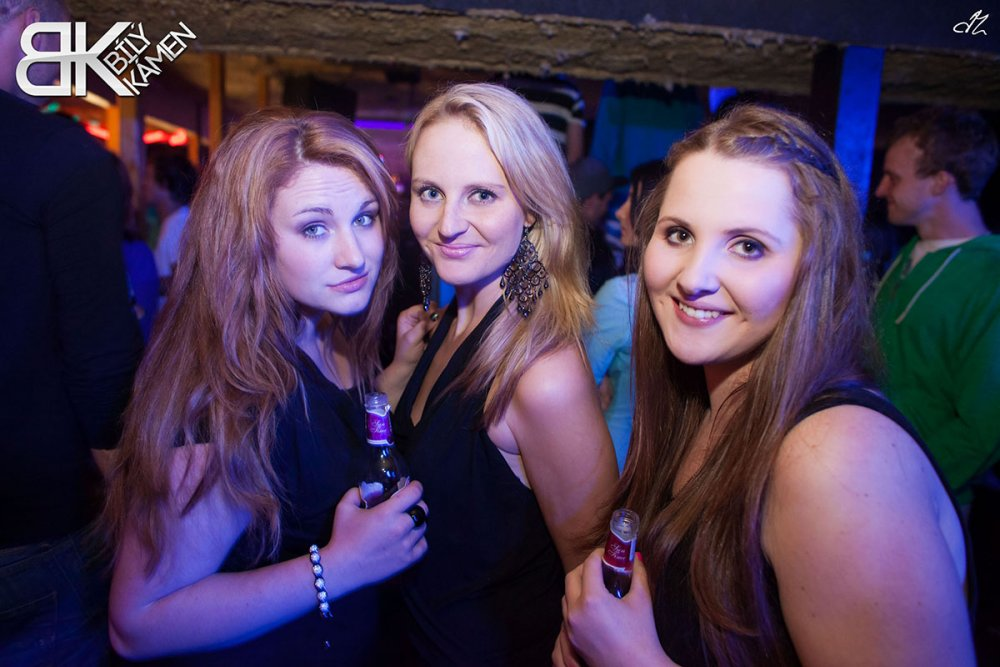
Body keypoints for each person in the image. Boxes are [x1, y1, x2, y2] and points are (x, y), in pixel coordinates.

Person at [556, 105, 974, 666]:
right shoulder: (702, 402)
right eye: (679, 233)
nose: (694, 278)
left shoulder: (836, 460)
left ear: (812, 269)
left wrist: (630, 657)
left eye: (748, 246)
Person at [104, 108, 430, 665]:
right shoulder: (228, 399)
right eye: (314, 228)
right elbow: (137, 624)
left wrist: (394, 375)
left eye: (365, 218)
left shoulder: (329, 328)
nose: (355, 255)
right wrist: (338, 567)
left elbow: (322, 436)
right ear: (250, 242)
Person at [394, 82, 618, 665]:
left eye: (482, 195)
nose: (448, 223)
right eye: (430, 192)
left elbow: (593, 575)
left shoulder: (541, 373)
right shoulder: (453, 316)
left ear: (532, 206)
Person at [0, 1, 143, 664]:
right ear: (32, 26)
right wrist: (135, 500)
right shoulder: (62, 161)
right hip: (26, 523)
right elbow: (99, 359)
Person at [872, 107, 1000, 509]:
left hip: (921, 502)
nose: (880, 190)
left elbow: (983, 427)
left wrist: (899, 481)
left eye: (894, 177)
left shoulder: (992, 274)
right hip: (863, 476)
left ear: (940, 182)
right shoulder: (911, 252)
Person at [585, 159, 668, 471]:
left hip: (612, 463)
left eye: (632, 199)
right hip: (660, 469)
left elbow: (576, 387)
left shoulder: (622, 296)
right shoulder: (692, 299)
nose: (620, 212)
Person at [146, 149, 198, 296]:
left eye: (148, 177)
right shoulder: (174, 221)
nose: (144, 184)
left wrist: (149, 285)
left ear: (164, 184)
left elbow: (185, 284)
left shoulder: (177, 224)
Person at [569, 156, 619, 293]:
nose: (607, 209)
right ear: (591, 201)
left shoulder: (548, 235)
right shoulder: (596, 251)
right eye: (607, 202)